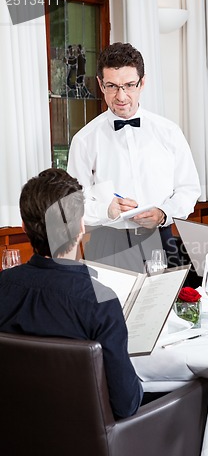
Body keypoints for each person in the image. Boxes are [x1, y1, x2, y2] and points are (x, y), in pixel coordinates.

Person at [0, 168, 143, 420]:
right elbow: (125, 405)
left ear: (24, 227)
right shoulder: (101, 301)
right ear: (80, 227)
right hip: (88, 451)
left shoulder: (4, 286)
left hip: (13, 443)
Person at [67, 42, 201, 273]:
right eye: (112, 86)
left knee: (167, 308)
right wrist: (105, 211)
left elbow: (189, 189)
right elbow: (72, 204)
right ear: (100, 84)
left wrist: (162, 214)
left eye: (129, 85)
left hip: (161, 238)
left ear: (142, 82)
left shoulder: (169, 132)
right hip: (107, 243)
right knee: (111, 309)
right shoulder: (84, 139)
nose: (121, 96)